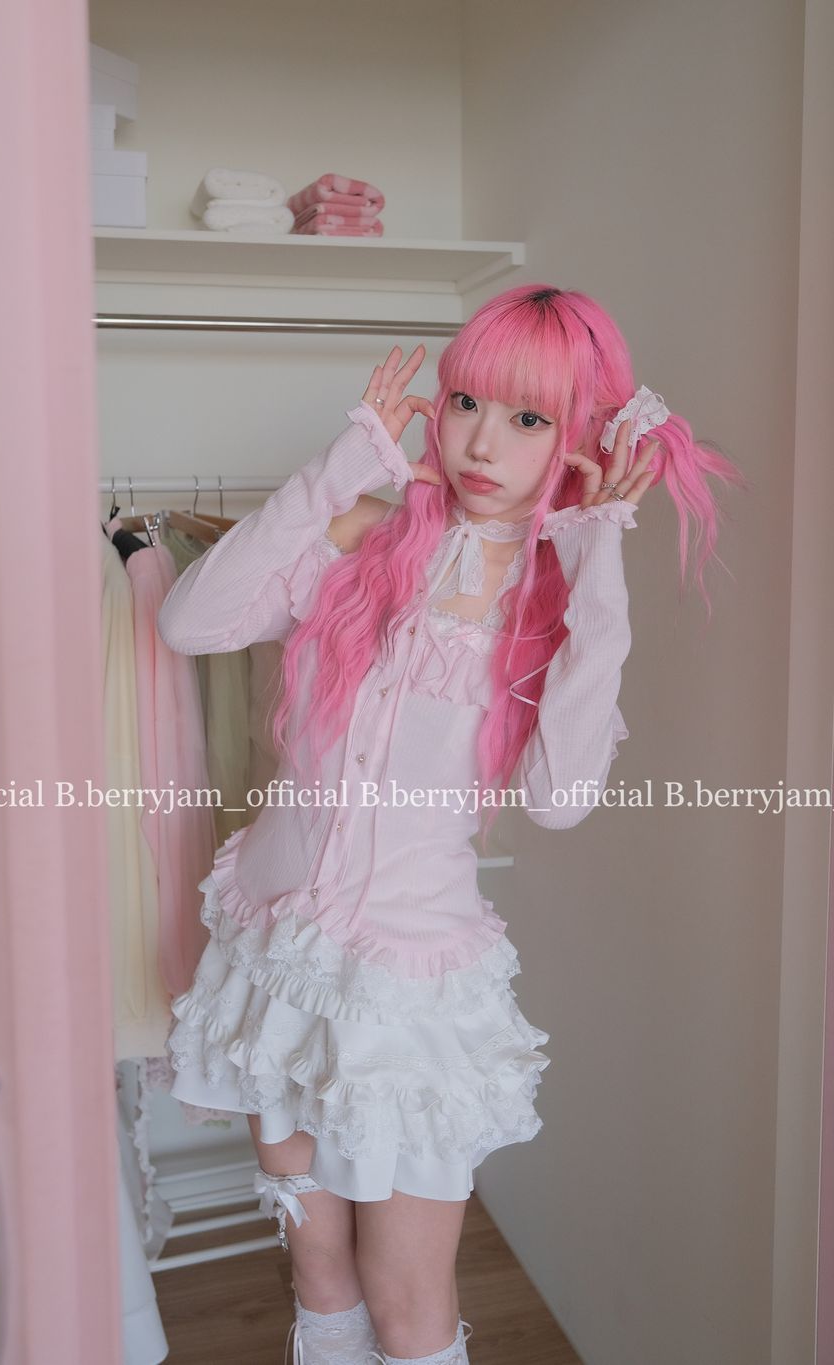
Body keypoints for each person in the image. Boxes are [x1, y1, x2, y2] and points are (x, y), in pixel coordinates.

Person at [156, 283, 744, 1365]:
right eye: (467, 401)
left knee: (406, 1298)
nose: (481, 441)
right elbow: (191, 621)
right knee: (318, 1272)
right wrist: (343, 467)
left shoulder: (555, 603)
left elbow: (560, 800)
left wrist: (596, 556)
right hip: (273, 958)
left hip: (406, 991)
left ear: (578, 440)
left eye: (528, 418)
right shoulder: (362, 535)